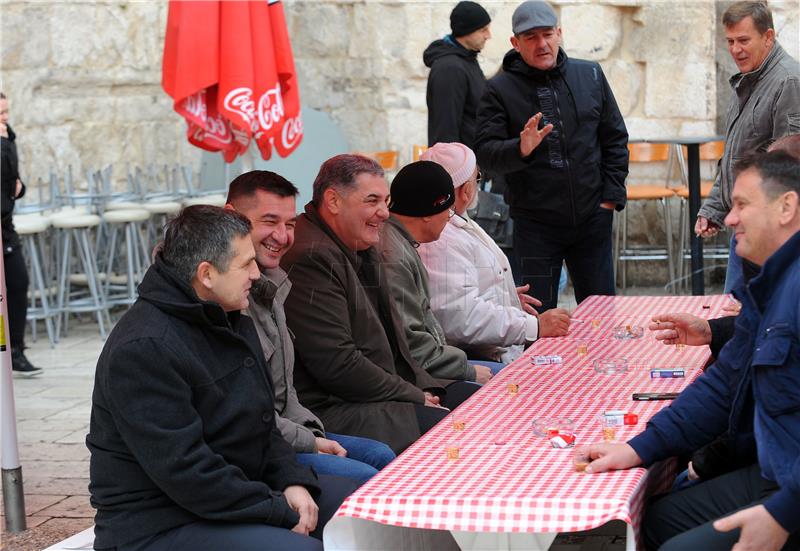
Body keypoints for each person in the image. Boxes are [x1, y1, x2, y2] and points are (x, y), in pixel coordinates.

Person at [87, 205, 358, 551]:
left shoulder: (227, 317)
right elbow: (187, 472)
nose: (257, 274)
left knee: (355, 508)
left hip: (236, 490)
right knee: (302, 547)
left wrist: (291, 480)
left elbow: (262, 424)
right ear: (207, 274)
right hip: (157, 523)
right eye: (245, 264)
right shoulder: (144, 348)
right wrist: (276, 508)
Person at [579, 151, 800, 551]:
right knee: (659, 518)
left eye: (742, 204)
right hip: (777, 474)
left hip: (790, 490)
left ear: (787, 207)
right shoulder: (772, 281)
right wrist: (637, 448)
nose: (729, 218)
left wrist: (784, 512)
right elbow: (725, 384)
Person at [281, 154, 462, 454]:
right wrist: (412, 394)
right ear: (333, 201)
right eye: (372, 201)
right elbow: (338, 365)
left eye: (386, 201)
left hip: (375, 392)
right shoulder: (311, 256)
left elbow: (394, 342)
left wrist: (420, 385)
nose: (384, 213)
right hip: (333, 407)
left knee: (475, 401)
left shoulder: (358, 240)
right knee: (452, 434)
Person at [225, 170, 395, 484]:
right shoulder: (227, 295)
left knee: (382, 455)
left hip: (291, 428)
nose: (283, 236)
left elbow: (284, 396)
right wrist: (310, 441)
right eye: (269, 221)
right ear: (231, 218)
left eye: (289, 224)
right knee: (368, 475)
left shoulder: (272, 282)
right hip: (258, 448)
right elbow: (246, 413)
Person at [475, 0, 628, 311]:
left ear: (559, 33)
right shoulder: (498, 89)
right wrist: (520, 149)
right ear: (515, 43)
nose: (542, 44)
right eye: (531, 37)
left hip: (592, 219)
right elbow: (487, 154)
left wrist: (609, 200)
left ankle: (601, 362)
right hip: (535, 225)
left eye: (547, 34)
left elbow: (615, 138)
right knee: (538, 319)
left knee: (601, 315)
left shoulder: (591, 75)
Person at [417, 142, 570, 363]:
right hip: (476, 359)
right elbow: (461, 316)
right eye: (476, 178)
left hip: (491, 350)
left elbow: (464, 289)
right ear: (464, 189)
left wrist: (504, 295)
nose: (476, 186)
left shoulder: (457, 220)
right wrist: (534, 326)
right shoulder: (440, 237)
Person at [695, 1, 800, 293]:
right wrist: (715, 208)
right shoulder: (749, 78)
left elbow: (788, 167)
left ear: (768, 37)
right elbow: (736, 156)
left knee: (750, 323)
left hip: (771, 235)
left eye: (743, 40)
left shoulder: (789, 81)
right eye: (730, 41)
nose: (735, 49)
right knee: (737, 321)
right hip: (747, 225)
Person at [379, 160, 492, 384]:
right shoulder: (394, 256)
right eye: (448, 212)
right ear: (429, 212)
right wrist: (466, 370)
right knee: (508, 382)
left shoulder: (399, 242)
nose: (448, 220)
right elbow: (412, 344)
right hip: (418, 376)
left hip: (431, 365)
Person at [1, 92, 41, 377]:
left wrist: (20, 188)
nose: (5, 117)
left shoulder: (7, 138)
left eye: (6, 111)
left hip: (6, 224)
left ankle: (14, 348)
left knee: (17, 283)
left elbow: (12, 181)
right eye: (0, 113)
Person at [424, 1, 492, 149]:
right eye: (483, 30)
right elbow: (445, 131)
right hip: (462, 167)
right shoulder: (449, 69)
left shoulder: (467, 59)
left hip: (476, 162)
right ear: (466, 31)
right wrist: (453, 170)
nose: (488, 35)